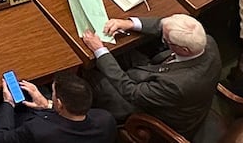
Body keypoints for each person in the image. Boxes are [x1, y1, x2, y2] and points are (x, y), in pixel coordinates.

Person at [85, 15, 221, 139]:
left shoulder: (177, 85)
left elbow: (132, 92)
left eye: (165, 40)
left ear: (184, 50)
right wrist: (129, 24)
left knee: (96, 78)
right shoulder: (207, 42)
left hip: (150, 110)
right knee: (125, 51)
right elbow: (165, 26)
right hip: (162, 75)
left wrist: (99, 51)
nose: (163, 40)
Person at [0, 73, 116, 143]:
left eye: (53, 93)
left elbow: (1, 139)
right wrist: (47, 105)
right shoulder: (106, 119)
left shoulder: (38, 130)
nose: (52, 96)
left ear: (59, 103)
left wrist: (8, 102)